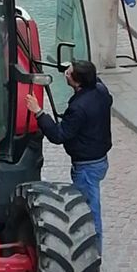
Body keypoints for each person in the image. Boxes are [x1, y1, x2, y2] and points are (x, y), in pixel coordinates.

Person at [26, 60, 112, 254]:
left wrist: (38, 112)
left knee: (89, 212)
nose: (65, 73)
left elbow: (58, 135)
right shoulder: (100, 91)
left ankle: (92, 254)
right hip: (99, 159)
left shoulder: (79, 108)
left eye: (69, 72)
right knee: (88, 205)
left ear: (77, 81)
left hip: (87, 166)